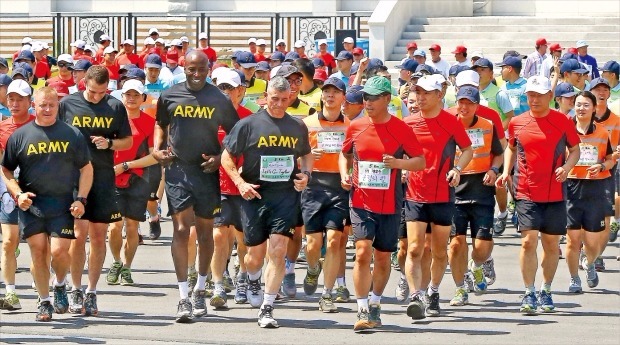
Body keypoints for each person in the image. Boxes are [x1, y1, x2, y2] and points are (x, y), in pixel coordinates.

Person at [153, 51, 238, 322]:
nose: (197, 73)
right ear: (184, 67)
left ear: (209, 68)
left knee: (204, 233)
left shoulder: (219, 99)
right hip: (178, 169)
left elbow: (235, 133)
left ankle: (201, 289)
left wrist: (219, 157)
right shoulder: (170, 95)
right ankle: (183, 297)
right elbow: (160, 125)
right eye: (192, 69)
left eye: (202, 68)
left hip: (206, 171)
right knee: (180, 228)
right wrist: (157, 149)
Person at [221, 76, 313, 328]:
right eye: (275, 99)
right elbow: (226, 157)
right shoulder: (248, 125)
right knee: (254, 255)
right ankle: (251, 277)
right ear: (265, 97)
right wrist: (240, 183)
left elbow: (306, 154)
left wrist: (306, 175)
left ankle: (268, 307)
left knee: (278, 249)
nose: (279, 104)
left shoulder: (297, 126)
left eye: (285, 100)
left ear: (291, 98)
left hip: (285, 195)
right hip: (255, 195)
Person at [340, 76, 424, 331]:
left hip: (389, 203)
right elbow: (344, 155)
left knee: (384, 257)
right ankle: (362, 308)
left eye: (374, 97)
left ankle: (376, 302)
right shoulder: (356, 126)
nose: (368, 102)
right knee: (363, 251)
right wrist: (345, 173)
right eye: (365, 97)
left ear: (387, 99)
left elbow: (419, 161)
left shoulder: (401, 128)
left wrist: (399, 164)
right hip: (361, 200)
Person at [1, 86, 93, 322]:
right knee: (38, 252)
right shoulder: (20, 136)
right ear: (35, 105)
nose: (48, 109)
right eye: (43, 105)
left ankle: (60, 284)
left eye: (52, 105)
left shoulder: (72, 134)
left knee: (59, 251)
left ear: (58, 106)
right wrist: (18, 194)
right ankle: (44, 301)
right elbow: (6, 169)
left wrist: (81, 199)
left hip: (63, 203)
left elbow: (86, 168)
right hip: (32, 204)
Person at [495, 76, 580, 314]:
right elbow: (510, 147)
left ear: (550, 97)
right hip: (526, 190)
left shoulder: (562, 121)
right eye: (530, 95)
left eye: (539, 95)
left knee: (551, 244)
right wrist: (506, 172)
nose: (534, 100)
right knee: (528, 241)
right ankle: (529, 292)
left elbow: (575, 150)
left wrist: (566, 167)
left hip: (554, 191)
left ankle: (546, 289)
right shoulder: (517, 122)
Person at [58, 65, 133, 316]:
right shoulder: (68, 104)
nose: (96, 96)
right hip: (74, 177)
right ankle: (75, 288)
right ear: (84, 84)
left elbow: (128, 140)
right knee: (78, 234)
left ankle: (91, 291)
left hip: (103, 176)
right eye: (92, 92)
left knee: (99, 236)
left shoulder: (115, 106)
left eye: (102, 92)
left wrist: (109, 142)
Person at [403, 75, 473, 319]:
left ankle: (433, 291)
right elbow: (396, 151)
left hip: (442, 194)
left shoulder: (451, 123)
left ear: (439, 95)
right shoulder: (408, 122)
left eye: (426, 93)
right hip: (414, 194)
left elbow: (467, 150)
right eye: (417, 93)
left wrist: (457, 169)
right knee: (415, 248)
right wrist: (402, 167)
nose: (420, 98)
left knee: (439, 250)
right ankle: (416, 295)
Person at [448, 86, 504, 306]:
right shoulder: (448, 124)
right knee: (456, 244)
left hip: (481, 190)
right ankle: (460, 288)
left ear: (477, 106)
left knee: (480, 248)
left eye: (470, 103)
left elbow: (498, 154)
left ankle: (478, 266)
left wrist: (494, 170)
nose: (464, 107)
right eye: (461, 102)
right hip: (454, 190)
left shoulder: (487, 126)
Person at [300, 77, 350, 313]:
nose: (330, 96)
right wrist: (308, 156)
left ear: (343, 97)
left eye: (335, 92)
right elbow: (296, 155)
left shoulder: (351, 125)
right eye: (326, 92)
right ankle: (312, 269)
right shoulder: (307, 123)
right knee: (313, 244)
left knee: (334, 240)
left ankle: (327, 293)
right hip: (313, 186)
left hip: (338, 188)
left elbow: (355, 156)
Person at [106, 80, 157, 287]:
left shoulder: (149, 122)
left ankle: (127, 267)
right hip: (112, 178)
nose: (132, 98)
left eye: (136, 95)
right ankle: (116, 262)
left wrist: (126, 165)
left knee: (133, 226)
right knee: (115, 226)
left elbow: (155, 156)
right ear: (122, 96)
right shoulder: (113, 120)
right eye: (128, 94)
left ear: (143, 98)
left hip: (138, 178)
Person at [210, 69, 253, 309]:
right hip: (217, 186)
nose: (225, 93)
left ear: (240, 91)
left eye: (230, 88)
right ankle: (217, 285)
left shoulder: (250, 118)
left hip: (245, 186)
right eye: (221, 88)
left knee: (243, 238)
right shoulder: (209, 118)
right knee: (218, 235)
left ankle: (243, 277)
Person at [565, 90, 614, 293]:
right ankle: (574, 277)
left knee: (592, 243)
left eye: (586, 105)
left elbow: (611, 159)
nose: (581, 108)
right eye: (578, 104)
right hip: (571, 187)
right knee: (572, 239)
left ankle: (590, 261)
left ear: (594, 108)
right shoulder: (565, 131)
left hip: (595, 189)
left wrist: (602, 167)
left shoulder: (603, 132)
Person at [0, 80, 36, 311]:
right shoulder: (2, 127)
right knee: (8, 242)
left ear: (30, 102)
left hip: (39, 190)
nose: (14, 103)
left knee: (37, 244)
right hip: (9, 192)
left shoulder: (41, 125)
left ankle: (41, 281)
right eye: (11, 99)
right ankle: (11, 293)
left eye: (20, 99)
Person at [589, 77, 620, 271]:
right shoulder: (581, 116)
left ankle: (597, 256)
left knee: (605, 216)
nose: (601, 93)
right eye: (597, 89)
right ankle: (586, 250)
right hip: (581, 173)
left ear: (609, 93)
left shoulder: (616, 120)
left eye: (605, 89)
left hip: (608, 170)